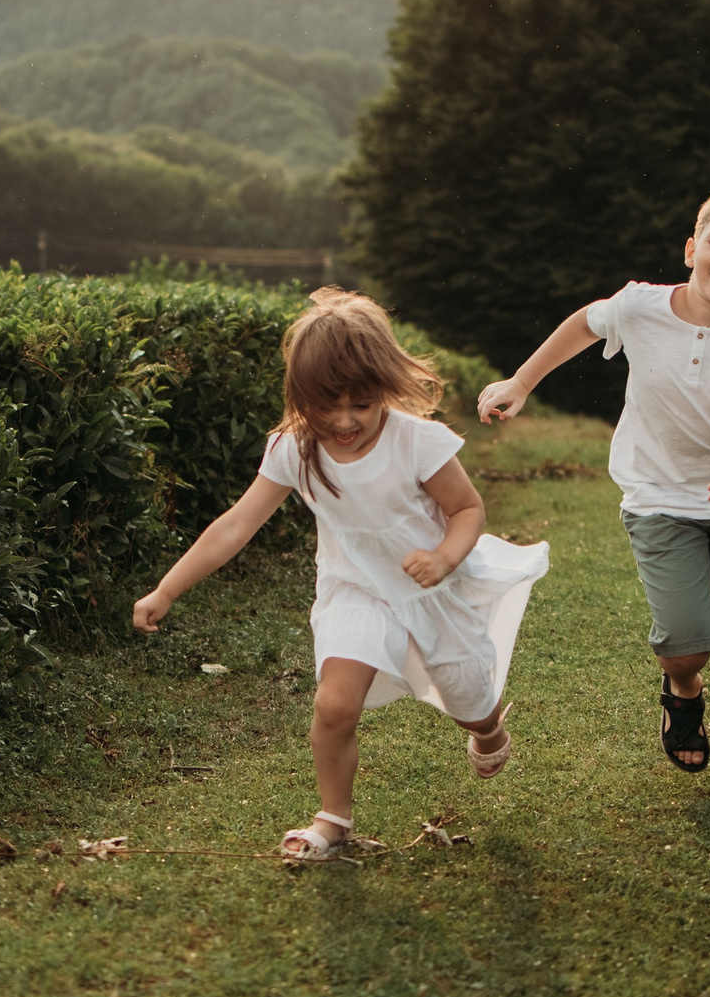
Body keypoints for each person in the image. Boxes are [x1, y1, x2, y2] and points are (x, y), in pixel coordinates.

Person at [133, 288, 550, 860]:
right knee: (333, 705)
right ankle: (333, 820)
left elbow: (468, 510)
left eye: (362, 403)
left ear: (385, 388)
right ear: (302, 396)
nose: (345, 420)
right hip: (356, 589)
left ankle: (486, 728)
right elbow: (236, 525)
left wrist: (444, 558)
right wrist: (167, 588)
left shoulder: (416, 441)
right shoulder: (294, 448)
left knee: (467, 701)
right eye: (328, 404)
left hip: (434, 590)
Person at [475, 177, 710, 803]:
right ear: (690, 248)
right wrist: (521, 382)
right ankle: (683, 693)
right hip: (657, 499)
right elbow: (583, 324)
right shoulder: (641, 306)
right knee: (686, 645)